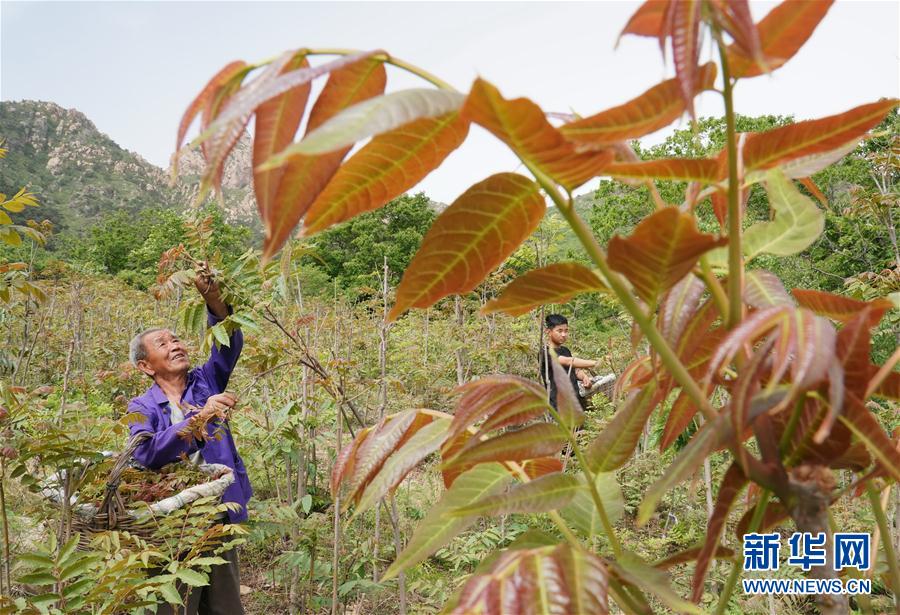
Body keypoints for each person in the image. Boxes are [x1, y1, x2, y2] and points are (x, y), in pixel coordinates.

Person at [127, 263, 250, 615]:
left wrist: (211, 296)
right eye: (162, 344)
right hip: (172, 521)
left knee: (225, 605)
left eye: (176, 339)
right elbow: (148, 454)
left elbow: (229, 345)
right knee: (175, 604)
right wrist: (201, 417)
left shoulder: (206, 382)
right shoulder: (142, 406)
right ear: (146, 366)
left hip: (217, 510)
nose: (175, 345)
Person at [538, 314, 610, 411]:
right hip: (558, 405)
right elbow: (568, 361)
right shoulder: (545, 352)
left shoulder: (565, 350)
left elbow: (574, 370)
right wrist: (597, 363)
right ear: (548, 331)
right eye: (559, 331)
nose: (564, 334)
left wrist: (584, 377)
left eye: (566, 331)